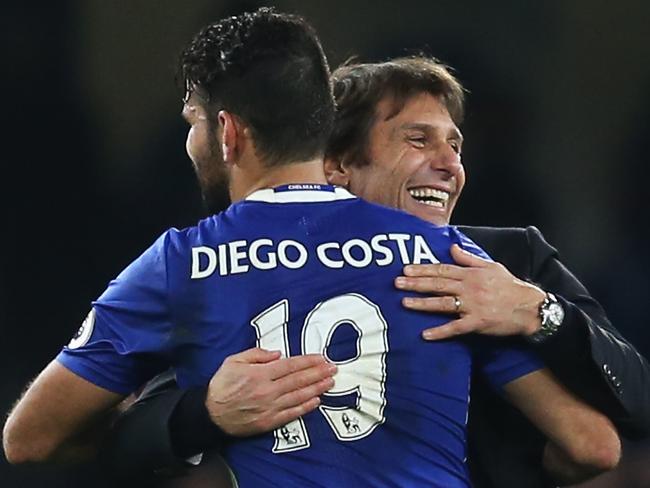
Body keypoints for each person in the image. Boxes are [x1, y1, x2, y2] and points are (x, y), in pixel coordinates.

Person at [3, 9, 621, 487]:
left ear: (227, 132)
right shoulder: (447, 258)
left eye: (192, 120)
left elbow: (28, 439)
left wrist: (202, 415)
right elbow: (590, 445)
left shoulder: (180, 263)